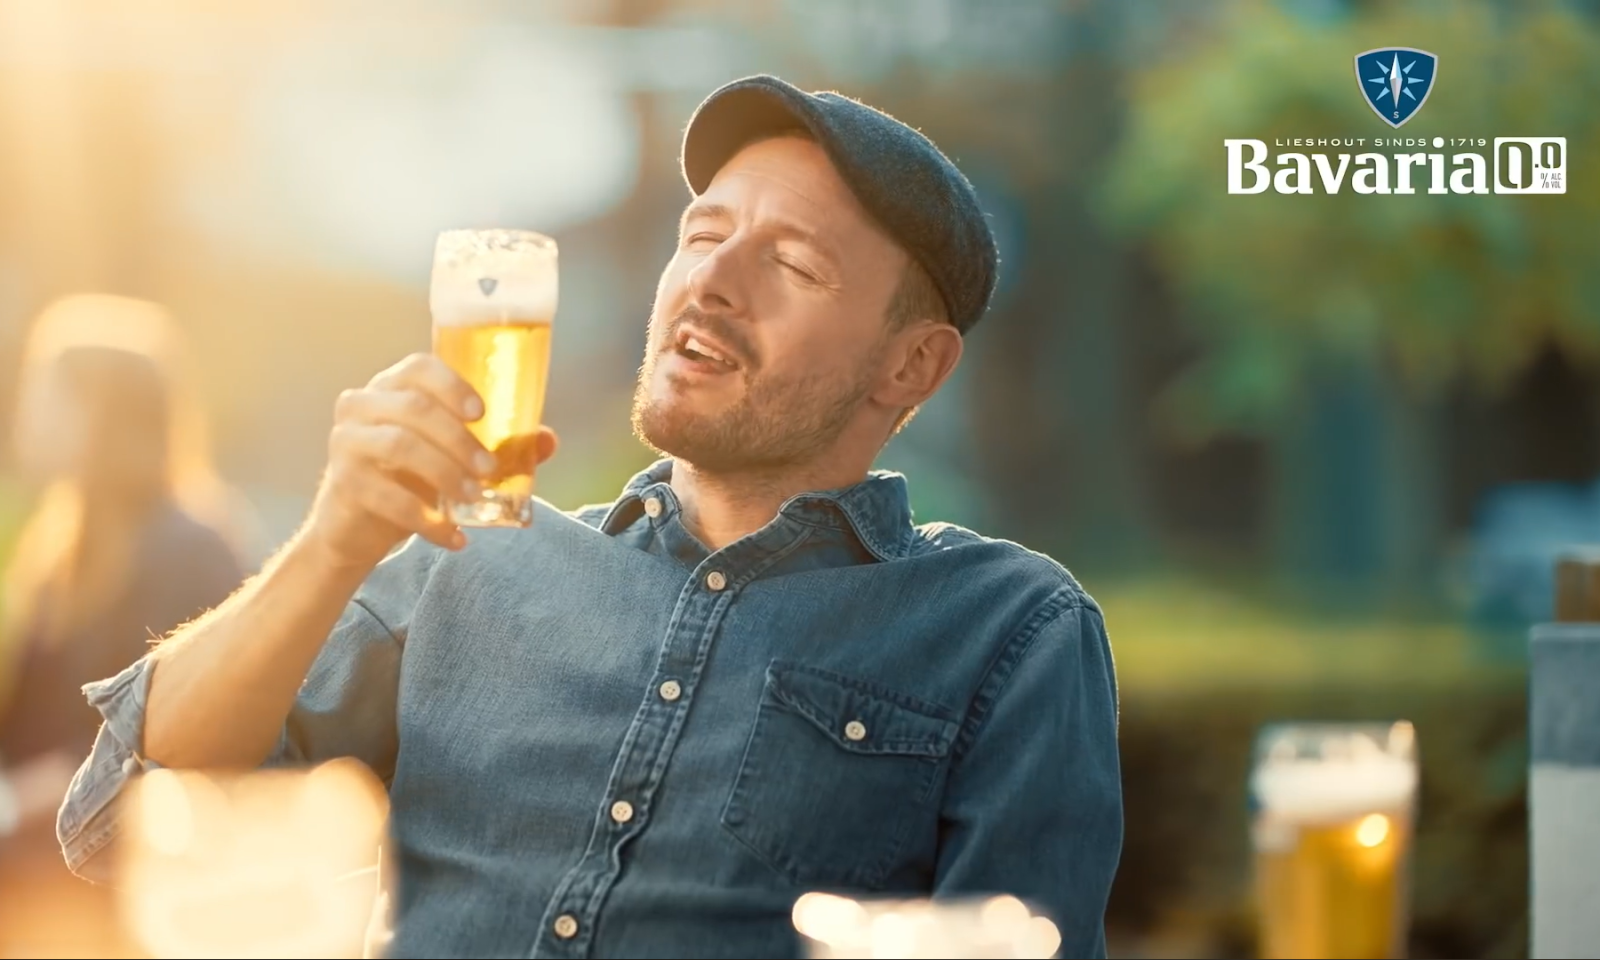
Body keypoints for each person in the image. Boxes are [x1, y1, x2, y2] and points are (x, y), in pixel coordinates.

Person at [58, 76, 1123, 959]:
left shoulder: (1007, 629)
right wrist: (332, 542)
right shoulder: (461, 559)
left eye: (791, 265)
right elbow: (116, 825)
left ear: (911, 365)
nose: (711, 281)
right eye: (702, 235)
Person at [0, 294, 251, 955]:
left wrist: (11, 803)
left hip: (130, 875)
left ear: (101, 415)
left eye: (45, 395)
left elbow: (157, 740)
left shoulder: (187, 549)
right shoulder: (60, 545)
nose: (25, 417)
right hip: (44, 853)